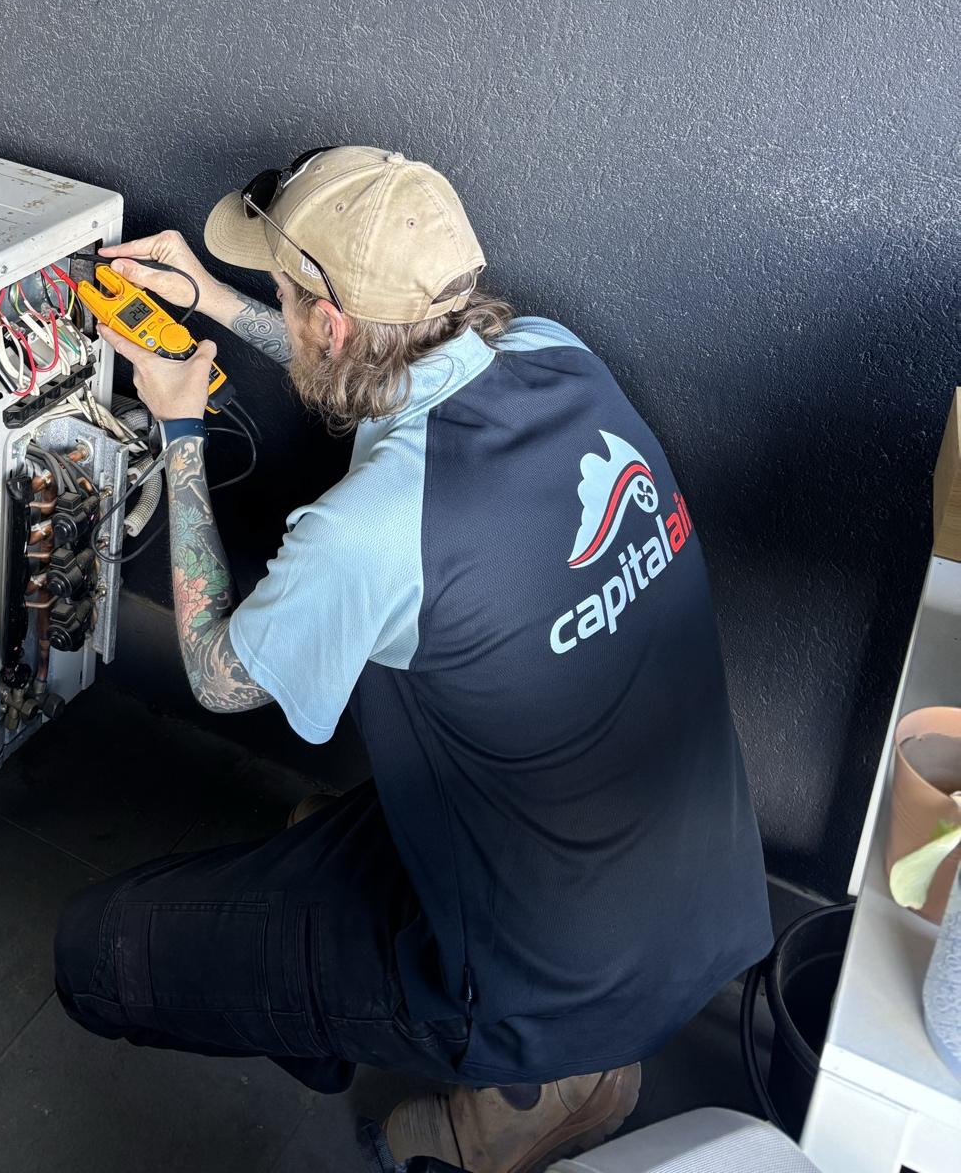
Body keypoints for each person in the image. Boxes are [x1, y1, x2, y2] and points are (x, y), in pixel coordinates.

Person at [54, 147, 771, 1173]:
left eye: (286, 292)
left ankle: (535, 1085)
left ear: (333, 322)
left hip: (544, 969)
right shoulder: (557, 355)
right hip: (690, 892)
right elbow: (383, 379)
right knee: (318, 852)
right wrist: (212, 300)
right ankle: (469, 1018)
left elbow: (218, 673)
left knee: (100, 954)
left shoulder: (374, 531)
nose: (279, 304)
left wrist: (176, 429)